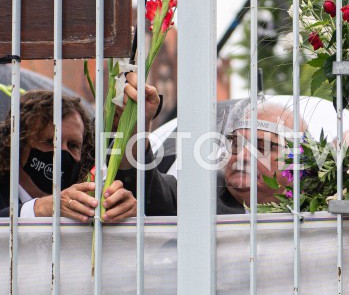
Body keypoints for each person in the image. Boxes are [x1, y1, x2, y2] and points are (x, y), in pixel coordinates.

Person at [0, 73, 176, 221]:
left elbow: (158, 202)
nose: (61, 151)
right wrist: (39, 209)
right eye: (49, 141)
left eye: (73, 145)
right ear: (18, 143)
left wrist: (131, 220)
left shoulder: (93, 203)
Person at [217, 100, 307, 214]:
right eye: (236, 144)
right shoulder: (202, 206)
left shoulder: (327, 213)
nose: (241, 157)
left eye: (260, 147)